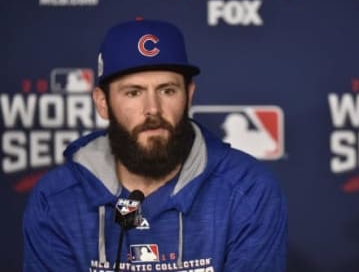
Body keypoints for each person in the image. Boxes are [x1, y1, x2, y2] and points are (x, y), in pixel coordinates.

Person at [22, 18, 287, 272]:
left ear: (189, 95)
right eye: (133, 92)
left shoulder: (247, 190)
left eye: (167, 90)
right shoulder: (56, 199)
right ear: (103, 103)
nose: (153, 109)